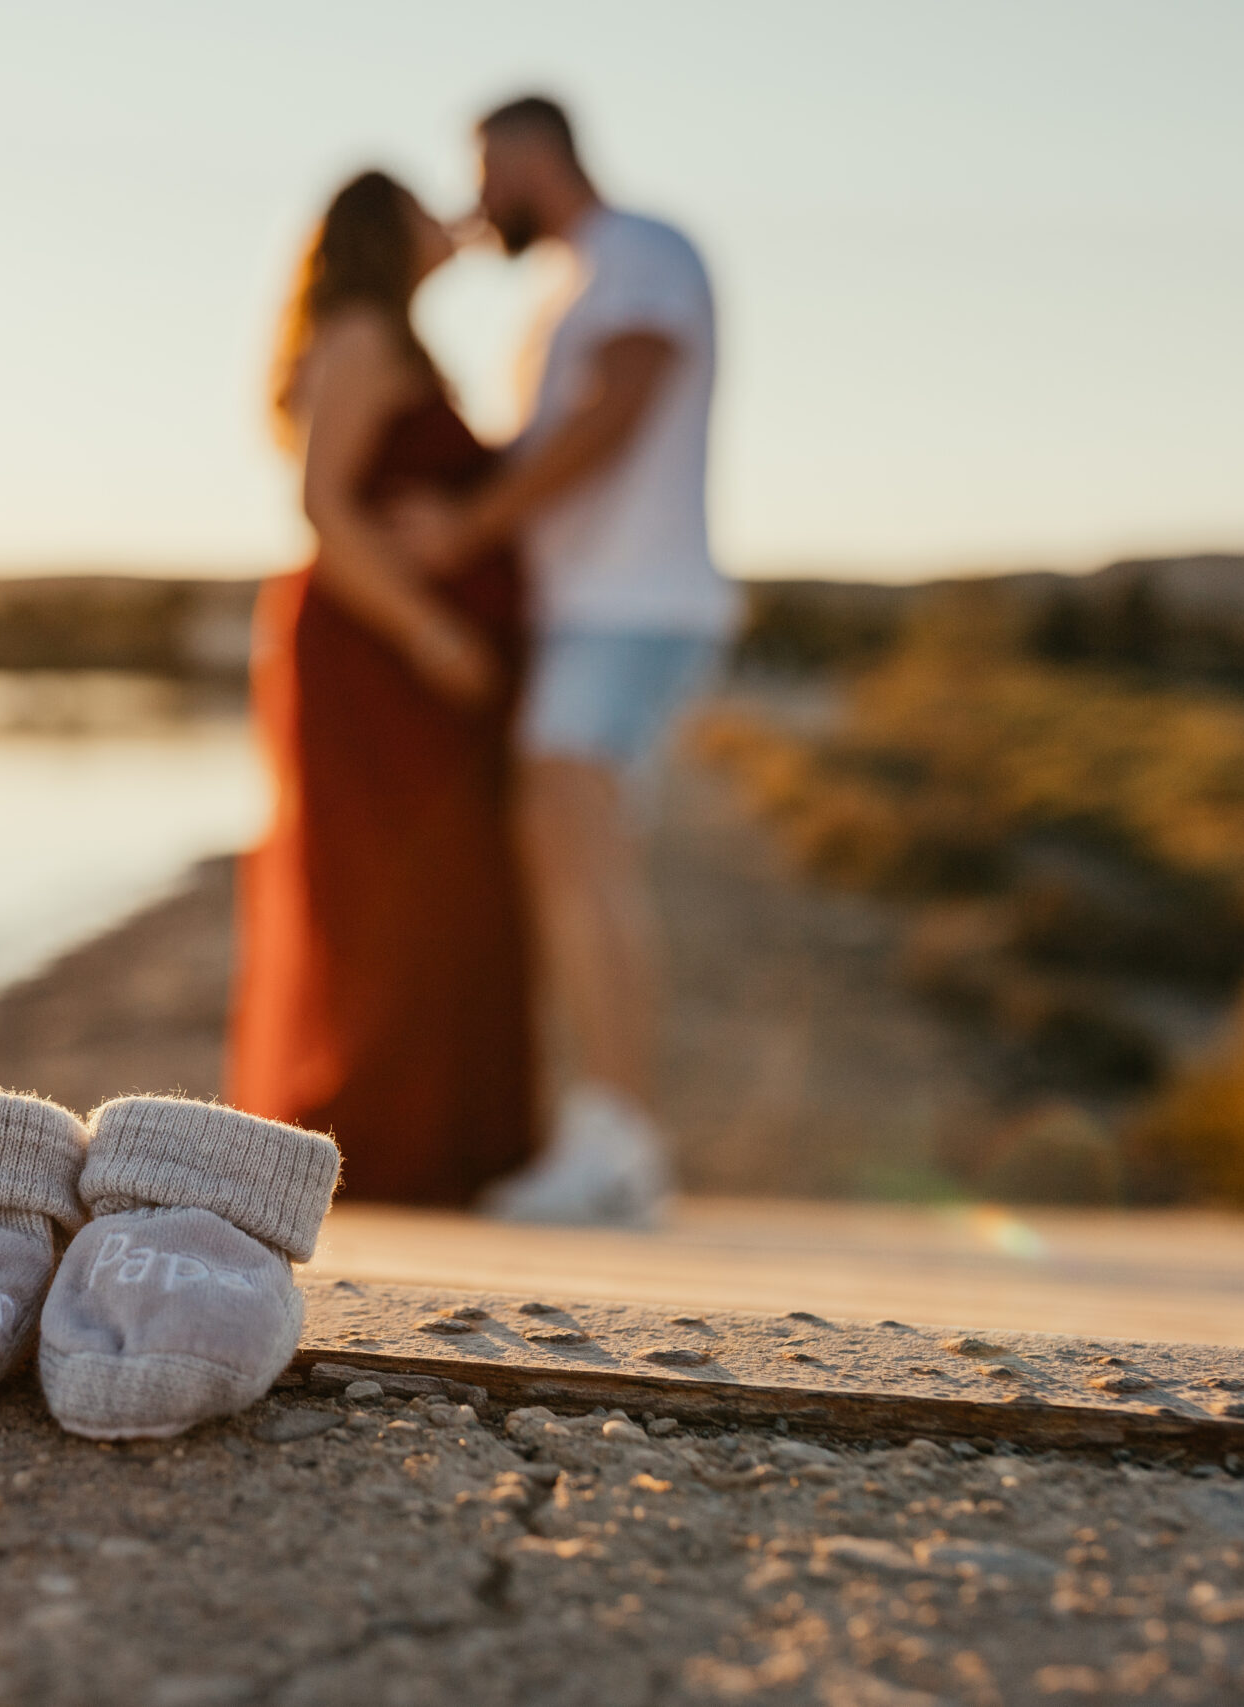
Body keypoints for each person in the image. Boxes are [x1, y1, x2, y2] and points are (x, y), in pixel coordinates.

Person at [397, 95, 737, 1224]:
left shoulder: (636, 252)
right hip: (593, 607)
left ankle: (621, 1142)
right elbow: (555, 433)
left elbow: (620, 404)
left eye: (485, 173)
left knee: (573, 840)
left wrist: (468, 528)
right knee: (565, 847)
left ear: (531, 156)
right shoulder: (570, 282)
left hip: (629, 603)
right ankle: (610, 1130)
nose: (475, 201)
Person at [224, 169, 536, 1204]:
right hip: (378, 655)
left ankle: (437, 1138)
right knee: (385, 883)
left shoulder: (388, 336)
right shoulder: (362, 333)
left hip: (393, 653)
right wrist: (435, 634)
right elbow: (324, 507)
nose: (448, 213)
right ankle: (383, 1141)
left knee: (429, 879)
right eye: (422, 205)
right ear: (383, 231)